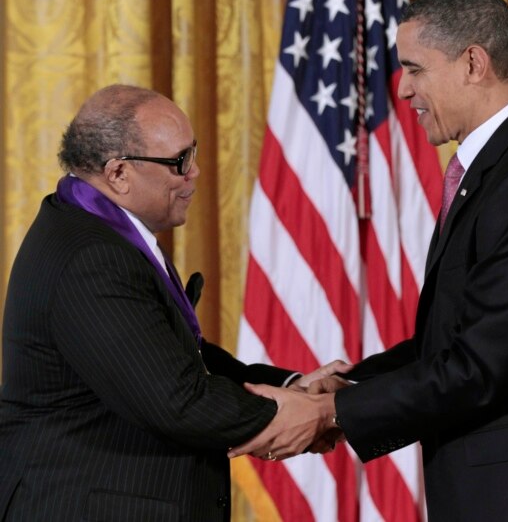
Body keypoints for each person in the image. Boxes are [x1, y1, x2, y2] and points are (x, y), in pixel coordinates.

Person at [228, 0, 508, 521]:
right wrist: (351, 383)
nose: (402, 90)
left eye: (415, 69)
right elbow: (447, 342)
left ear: (473, 63)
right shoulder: (493, 173)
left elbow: (477, 367)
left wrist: (332, 412)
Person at [0, 84, 347, 522]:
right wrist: (305, 414)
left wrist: (292, 387)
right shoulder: (92, 256)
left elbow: (175, 355)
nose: (196, 172)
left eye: (194, 153)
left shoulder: (100, 228)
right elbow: (176, 399)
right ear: (119, 173)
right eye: (179, 162)